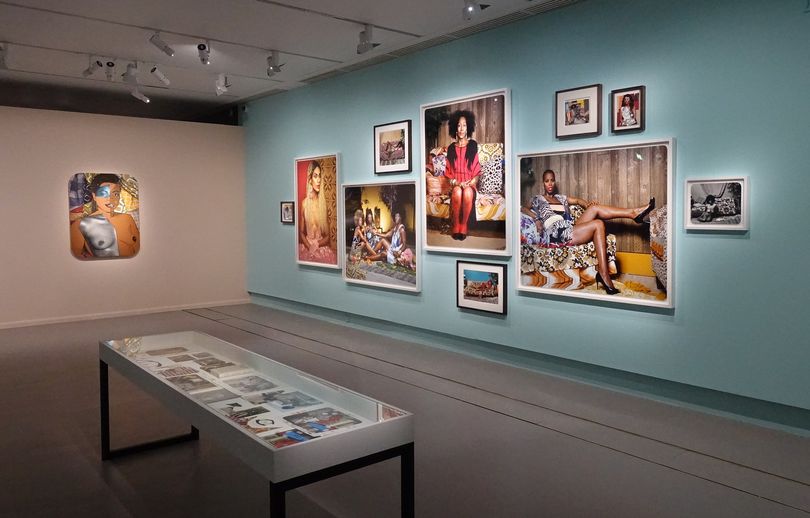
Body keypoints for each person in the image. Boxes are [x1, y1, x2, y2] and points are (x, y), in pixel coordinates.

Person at [521, 169, 654, 295]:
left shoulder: (561, 198)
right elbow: (523, 208)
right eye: (547, 181)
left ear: (555, 182)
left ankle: (633, 213)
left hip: (568, 227)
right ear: (543, 183)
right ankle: (603, 273)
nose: (550, 184)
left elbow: (577, 201)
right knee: (598, 224)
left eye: (552, 180)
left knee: (594, 208)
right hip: (556, 233)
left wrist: (587, 205)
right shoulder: (537, 199)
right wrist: (536, 219)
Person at [70, 173, 140, 259]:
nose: (110, 199)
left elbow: (139, 249)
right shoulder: (80, 225)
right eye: (104, 193)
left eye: (115, 194)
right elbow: (73, 260)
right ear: (94, 196)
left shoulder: (127, 218)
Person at [445, 110, 481, 240]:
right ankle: (456, 224)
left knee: (467, 193)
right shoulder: (451, 148)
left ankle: (464, 224)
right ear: (455, 127)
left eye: (464, 125)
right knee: (457, 192)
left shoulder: (472, 146)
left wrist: (471, 182)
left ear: (468, 128)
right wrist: (457, 183)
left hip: (470, 184)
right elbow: (448, 174)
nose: (461, 129)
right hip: (456, 184)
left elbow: (477, 172)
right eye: (459, 125)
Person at [298, 160, 337, 264]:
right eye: (315, 176)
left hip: (320, 246)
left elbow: (328, 237)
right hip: (307, 247)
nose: (319, 180)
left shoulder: (323, 205)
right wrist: (309, 246)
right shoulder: (304, 204)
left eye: (320, 176)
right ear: (310, 179)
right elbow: (301, 232)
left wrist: (316, 245)